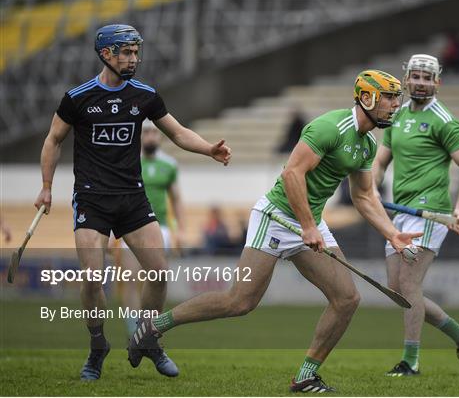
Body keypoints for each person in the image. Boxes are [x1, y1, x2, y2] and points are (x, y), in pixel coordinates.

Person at [128, 69, 422, 392]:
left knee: (347, 298)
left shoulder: (367, 144)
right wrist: (308, 226)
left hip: (310, 222)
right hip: (277, 216)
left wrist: (391, 234)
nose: (396, 105)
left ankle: (307, 375)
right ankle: (155, 326)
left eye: (397, 98)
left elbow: (364, 196)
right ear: (367, 98)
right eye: (390, 98)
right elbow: (292, 175)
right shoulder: (329, 128)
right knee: (239, 302)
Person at [33, 24, 231, 381]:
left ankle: (148, 339)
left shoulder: (144, 95)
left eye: (136, 52)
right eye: (126, 52)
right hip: (92, 200)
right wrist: (46, 186)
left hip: (132, 199)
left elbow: (178, 132)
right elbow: (52, 140)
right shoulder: (77, 98)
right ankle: (97, 347)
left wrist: (208, 149)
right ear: (106, 54)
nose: (133, 59)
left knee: (158, 273)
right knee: (93, 281)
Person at [372, 54, 459, 377]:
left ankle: (410, 361)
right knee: (399, 289)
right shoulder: (397, 116)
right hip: (401, 211)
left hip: (431, 212)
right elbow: (380, 162)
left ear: (438, 82)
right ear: (406, 79)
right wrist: (373, 188)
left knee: (408, 283)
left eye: (427, 77)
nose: (420, 82)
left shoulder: (444, 120)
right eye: (416, 76)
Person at [116, 119, 187, 335]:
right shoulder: (128, 163)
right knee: (130, 279)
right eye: (146, 132)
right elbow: (118, 197)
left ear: (160, 137)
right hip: (130, 227)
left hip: (161, 229)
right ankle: (133, 329)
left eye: (154, 133)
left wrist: (181, 230)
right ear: (139, 135)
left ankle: (150, 327)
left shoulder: (169, 165)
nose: (150, 137)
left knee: (156, 280)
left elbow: (176, 199)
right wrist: (112, 231)